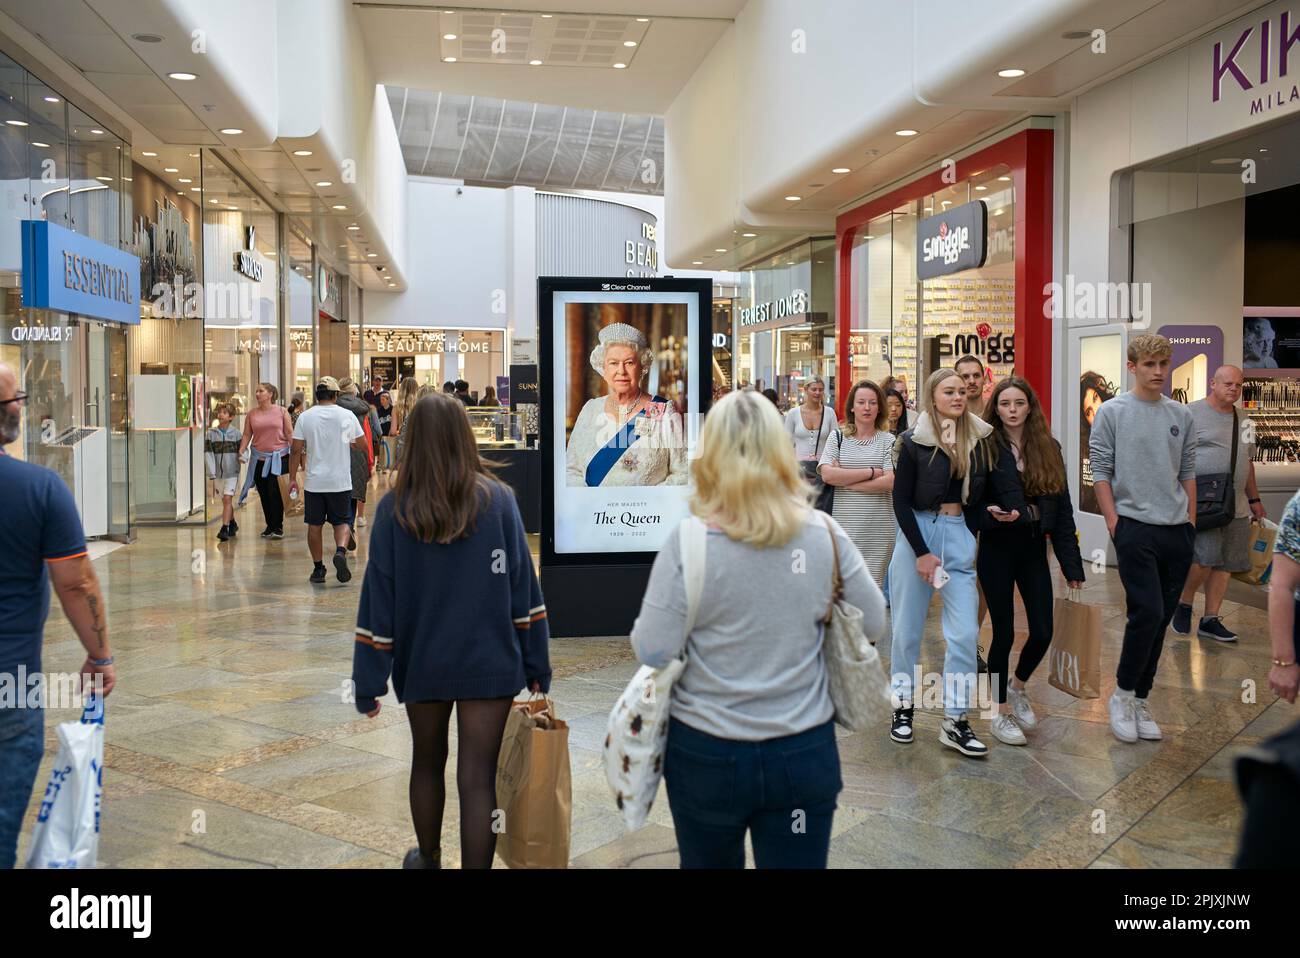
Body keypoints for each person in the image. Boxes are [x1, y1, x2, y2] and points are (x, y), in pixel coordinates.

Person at [629, 390, 886, 868]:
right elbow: (873, 620)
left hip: (706, 751)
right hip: (802, 750)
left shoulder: (688, 541)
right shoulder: (825, 535)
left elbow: (653, 647)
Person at [352, 393, 550, 869]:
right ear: (465, 439)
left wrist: (368, 681)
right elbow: (524, 592)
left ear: (412, 442)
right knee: (478, 776)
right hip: (491, 662)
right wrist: (537, 664)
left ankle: (429, 857)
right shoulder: (499, 502)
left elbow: (379, 603)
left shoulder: (394, 511)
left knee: (426, 761)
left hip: (424, 662)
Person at [0, 362, 117, 869]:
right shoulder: (38, 489)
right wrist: (100, 655)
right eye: (16, 399)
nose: (22, 406)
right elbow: (75, 582)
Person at [888, 368, 1022, 757]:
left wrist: (994, 512)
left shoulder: (980, 438)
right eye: (949, 391)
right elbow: (899, 500)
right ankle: (902, 709)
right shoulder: (913, 440)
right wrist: (921, 553)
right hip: (917, 534)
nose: (958, 397)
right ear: (933, 398)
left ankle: (955, 721)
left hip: (958, 533)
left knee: (964, 634)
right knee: (907, 633)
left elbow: (980, 496)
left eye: (962, 391)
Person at [1089, 334, 1196, 745]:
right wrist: (1115, 522)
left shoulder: (1180, 415)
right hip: (1134, 527)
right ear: (1132, 367)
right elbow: (1100, 469)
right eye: (1149, 364)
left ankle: (1141, 696)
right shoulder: (1112, 412)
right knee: (1146, 612)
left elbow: (1187, 469)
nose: (1157, 372)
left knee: (1162, 617)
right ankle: (1121, 694)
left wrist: (1190, 520)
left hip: (1176, 531)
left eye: (1163, 364)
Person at [976, 377, 1085, 746]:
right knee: (1003, 633)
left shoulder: (1048, 447)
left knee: (1042, 631)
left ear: (1029, 406)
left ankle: (1017, 685)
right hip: (996, 547)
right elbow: (972, 504)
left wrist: (1072, 567)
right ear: (996, 408)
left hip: (1034, 548)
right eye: (1005, 403)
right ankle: (998, 711)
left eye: (1018, 403)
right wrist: (992, 515)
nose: (1011, 410)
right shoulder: (986, 446)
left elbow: (1064, 510)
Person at [1172, 366, 1266, 642]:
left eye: (1238, 385)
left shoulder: (1245, 419)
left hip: (1236, 506)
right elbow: (1174, 458)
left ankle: (1210, 619)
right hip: (1204, 503)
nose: (1233, 389)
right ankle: (1184, 602)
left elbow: (1247, 462)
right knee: (1204, 558)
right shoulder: (1189, 413)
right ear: (1213, 383)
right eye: (1228, 384)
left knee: (1227, 563)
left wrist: (1255, 500)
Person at [564, 322, 687, 487]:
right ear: (603, 368)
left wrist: (643, 503)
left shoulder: (662, 411)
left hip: (647, 512)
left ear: (642, 367)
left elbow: (684, 473)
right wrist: (590, 503)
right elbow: (570, 470)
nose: (621, 371)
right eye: (613, 363)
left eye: (629, 363)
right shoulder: (590, 409)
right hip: (595, 512)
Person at [287, 377, 368, 584]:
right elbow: (363, 444)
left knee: (314, 526)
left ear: (317, 395)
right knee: (341, 522)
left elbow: (295, 450)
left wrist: (293, 478)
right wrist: (352, 444)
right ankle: (340, 551)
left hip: (315, 482)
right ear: (336, 395)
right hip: (340, 481)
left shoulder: (305, 417)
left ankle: (318, 569)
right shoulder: (347, 415)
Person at [818, 380, 896, 586]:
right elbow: (827, 475)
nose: (867, 407)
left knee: (872, 592)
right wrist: (871, 472)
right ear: (852, 406)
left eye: (872, 402)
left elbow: (889, 482)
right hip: (844, 528)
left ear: (880, 407)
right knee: (843, 591)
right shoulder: (837, 438)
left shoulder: (888, 441)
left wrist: (845, 479)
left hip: (878, 529)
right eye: (861, 402)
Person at [237, 382, 293, 540]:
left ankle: (278, 526)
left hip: (279, 458)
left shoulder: (281, 411)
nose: (257, 394)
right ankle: (270, 525)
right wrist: (242, 449)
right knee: (264, 493)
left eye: (260, 391)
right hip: (259, 459)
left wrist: (296, 453)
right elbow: (247, 434)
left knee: (275, 492)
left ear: (270, 394)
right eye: (256, 391)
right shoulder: (252, 414)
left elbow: (289, 433)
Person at [338, 378, 382, 537]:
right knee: (353, 495)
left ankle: (343, 528)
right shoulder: (366, 410)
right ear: (355, 392)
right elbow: (368, 439)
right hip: (358, 456)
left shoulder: (332, 409)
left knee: (340, 495)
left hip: (336, 457)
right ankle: (350, 523)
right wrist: (370, 462)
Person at [784, 375, 836, 491]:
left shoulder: (829, 413)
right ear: (806, 390)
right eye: (814, 389)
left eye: (820, 390)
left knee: (822, 504)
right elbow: (786, 443)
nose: (817, 393)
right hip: (799, 469)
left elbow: (835, 443)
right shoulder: (793, 413)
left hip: (824, 469)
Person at [205, 402, 242, 542]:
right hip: (218, 474)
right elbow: (208, 453)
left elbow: (242, 450)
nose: (220, 415)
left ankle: (224, 528)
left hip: (232, 472)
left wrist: (243, 457)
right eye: (219, 412)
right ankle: (232, 523)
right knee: (225, 501)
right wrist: (211, 472)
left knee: (227, 499)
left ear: (231, 417)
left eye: (224, 413)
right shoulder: (211, 433)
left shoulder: (236, 433)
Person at [392, 377, 420, 470]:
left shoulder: (396, 408)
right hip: (417, 445)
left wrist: (400, 432)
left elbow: (392, 432)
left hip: (402, 448)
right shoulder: (419, 406)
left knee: (402, 477)